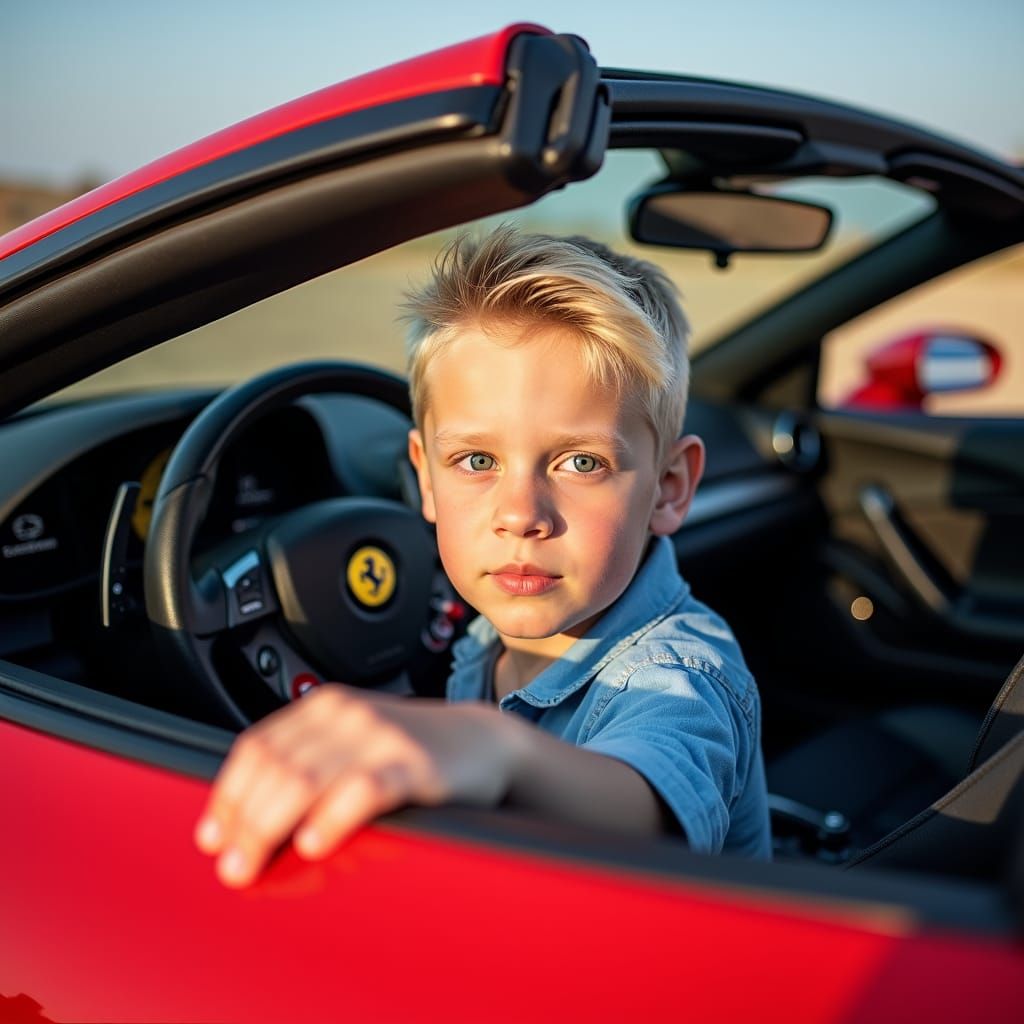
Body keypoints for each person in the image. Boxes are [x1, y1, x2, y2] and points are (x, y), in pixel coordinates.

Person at [194, 226, 771, 887]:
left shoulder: (680, 669)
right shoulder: (481, 631)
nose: (520, 514)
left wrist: (493, 745)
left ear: (668, 489)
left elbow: (643, 807)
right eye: (476, 461)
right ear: (426, 480)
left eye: (581, 462)